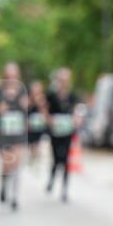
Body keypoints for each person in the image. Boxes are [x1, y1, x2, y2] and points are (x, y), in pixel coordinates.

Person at [0, 62, 29, 211]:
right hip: (4, 132)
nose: (12, 78)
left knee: (17, 164)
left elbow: (27, 109)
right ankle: (3, 184)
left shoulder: (23, 91)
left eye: (14, 75)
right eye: (9, 75)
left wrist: (24, 104)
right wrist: (3, 105)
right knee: (7, 164)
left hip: (18, 131)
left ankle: (14, 197)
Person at [45, 67, 80, 202]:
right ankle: (51, 180)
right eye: (61, 79)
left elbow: (76, 110)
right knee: (56, 158)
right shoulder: (51, 95)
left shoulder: (72, 95)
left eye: (66, 79)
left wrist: (76, 119)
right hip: (55, 131)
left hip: (67, 130)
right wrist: (49, 121)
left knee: (65, 159)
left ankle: (64, 189)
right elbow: (45, 110)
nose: (64, 82)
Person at [26, 80, 49, 169]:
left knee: (36, 142)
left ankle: (34, 156)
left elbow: (44, 112)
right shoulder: (28, 99)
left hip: (38, 125)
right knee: (30, 141)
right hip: (30, 124)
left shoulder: (42, 99)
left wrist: (40, 104)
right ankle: (32, 154)